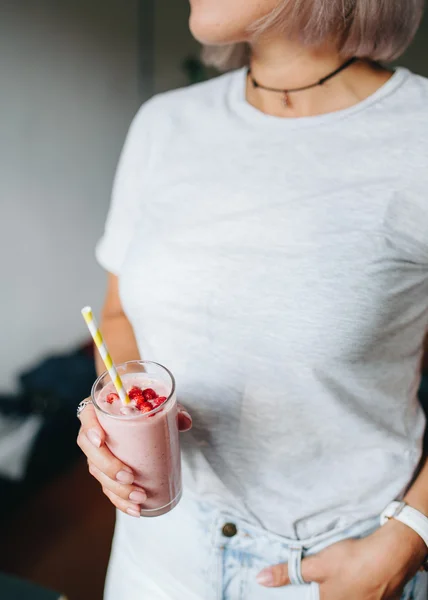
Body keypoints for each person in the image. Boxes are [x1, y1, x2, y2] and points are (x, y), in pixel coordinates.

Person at [77, 0, 428, 598]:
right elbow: (116, 316)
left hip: (337, 565)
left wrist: (406, 541)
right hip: (157, 553)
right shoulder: (163, 124)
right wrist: (114, 413)